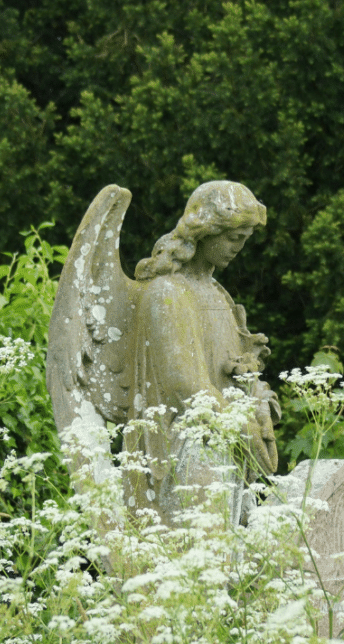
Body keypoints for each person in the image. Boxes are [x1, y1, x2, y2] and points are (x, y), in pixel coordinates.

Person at [121, 181, 280, 522]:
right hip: (185, 455)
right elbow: (184, 384)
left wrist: (259, 404)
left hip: (225, 449)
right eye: (233, 237)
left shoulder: (218, 294)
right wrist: (243, 428)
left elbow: (234, 369)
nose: (238, 248)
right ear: (205, 230)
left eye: (245, 239)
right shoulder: (168, 292)